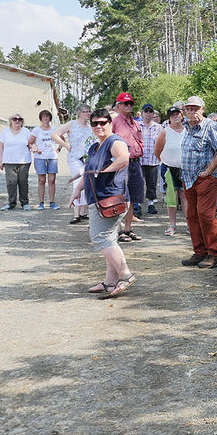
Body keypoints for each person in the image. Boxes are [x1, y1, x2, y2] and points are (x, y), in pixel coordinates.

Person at [69, 108, 135, 299]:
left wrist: (106, 171)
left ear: (109, 123)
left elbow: (124, 158)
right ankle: (109, 282)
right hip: (98, 199)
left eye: (102, 122)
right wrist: (77, 190)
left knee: (100, 238)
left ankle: (125, 275)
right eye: (95, 123)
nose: (99, 126)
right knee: (108, 239)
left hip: (109, 199)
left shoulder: (114, 141)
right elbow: (88, 172)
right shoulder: (95, 147)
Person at [179, 96, 217, 269]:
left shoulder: (210, 126)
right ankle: (200, 251)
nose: (192, 111)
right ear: (185, 111)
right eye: (189, 108)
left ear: (202, 109)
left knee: (205, 214)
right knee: (192, 215)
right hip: (189, 178)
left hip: (206, 178)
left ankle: (215, 253)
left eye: (195, 108)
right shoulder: (186, 127)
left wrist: (209, 171)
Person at [110, 92, 145, 242]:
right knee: (120, 197)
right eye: (125, 104)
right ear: (118, 106)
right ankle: (117, 230)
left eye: (131, 103)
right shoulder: (114, 122)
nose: (129, 106)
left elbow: (140, 141)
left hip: (136, 163)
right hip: (122, 163)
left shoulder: (135, 122)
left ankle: (128, 228)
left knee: (133, 198)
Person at [53, 103, 96, 224]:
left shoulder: (90, 126)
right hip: (75, 158)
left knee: (87, 183)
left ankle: (83, 211)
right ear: (79, 113)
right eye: (85, 111)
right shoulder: (71, 124)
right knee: (77, 182)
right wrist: (66, 145)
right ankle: (76, 213)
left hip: (87, 159)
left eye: (89, 111)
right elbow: (55, 134)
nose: (87, 113)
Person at [153, 106, 188, 236]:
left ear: (181, 115)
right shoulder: (165, 132)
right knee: (172, 197)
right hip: (168, 167)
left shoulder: (187, 131)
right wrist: (167, 161)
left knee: (185, 196)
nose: (175, 116)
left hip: (184, 168)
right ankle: (172, 225)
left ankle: (189, 224)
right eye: (172, 114)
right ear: (169, 118)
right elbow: (157, 151)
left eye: (177, 114)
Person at [0, 112, 33, 210]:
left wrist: (36, 149)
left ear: (22, 122)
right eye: (15, 119)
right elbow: (1, 147)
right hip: (9, 161)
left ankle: (25, 203)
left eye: (20, 119)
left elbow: (31, 143)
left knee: (23, 182)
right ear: (10, 121)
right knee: (11, 182)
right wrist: (0, 160)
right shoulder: (5, 132)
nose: (17, 121)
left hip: (24, 161)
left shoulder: (26, 131)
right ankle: (11, 203)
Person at [28, 109, 60, 210]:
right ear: (40, 118)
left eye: (47, 116)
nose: (45, 118)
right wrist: (35, 149)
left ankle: (52, 202)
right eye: (43, 116)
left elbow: (62, 139)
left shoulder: (54, 129)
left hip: (52, 157)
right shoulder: (36, 130)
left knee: (52, 180)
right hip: (40, 157)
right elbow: (30, 143)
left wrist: (58, 149)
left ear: (50, 118)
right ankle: (41, 203)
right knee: (41, 180)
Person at [140, 103, 162, 215]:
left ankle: (151, 204)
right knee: (139, 182)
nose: (148, 113)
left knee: (152, 183)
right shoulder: (137, 126)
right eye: (146, 111)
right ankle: (137, 204)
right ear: (142, 113)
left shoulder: (158, 127)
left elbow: (161, 143)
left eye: (150, 112)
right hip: (140, 159)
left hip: (153, 160)